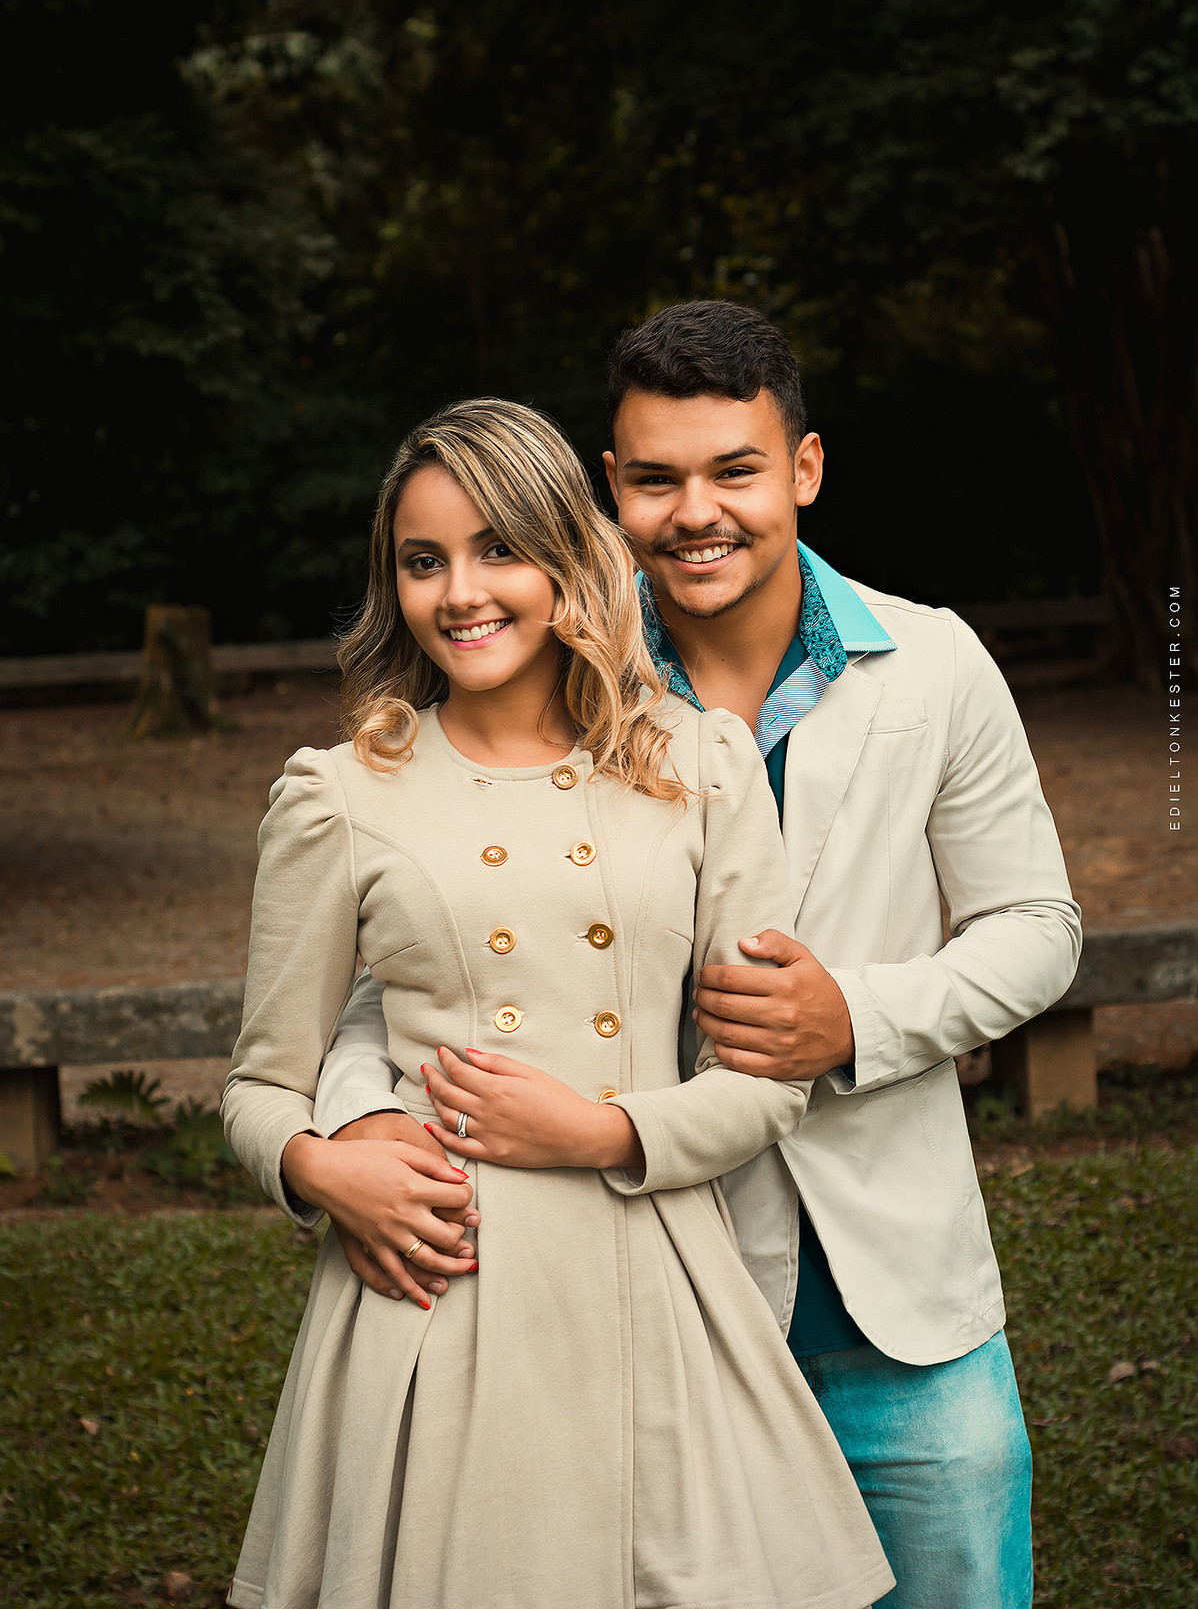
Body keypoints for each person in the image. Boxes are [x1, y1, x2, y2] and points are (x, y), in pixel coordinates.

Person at [317, 304, 1083, 1609]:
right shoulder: (543, 683)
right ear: (608, 487)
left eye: (732, 469)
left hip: (901, 1300)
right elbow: (404, 977)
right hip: (637, 1282)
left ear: (803, 468)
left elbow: (1036, 931)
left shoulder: (933, 663)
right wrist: (339, 1142)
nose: (694, 512)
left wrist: (857, 1015)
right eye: (655, 478)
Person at [221, 397, 893, 1609]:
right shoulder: (340, 796)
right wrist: (322, 1170)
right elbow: (265, 1081)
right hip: (437, 1294)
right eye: (422, 561)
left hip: (654, 1281)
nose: (460, 591)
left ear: (567, 563)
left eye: (498, 549)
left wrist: (604, 1132)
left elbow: (765, 1082)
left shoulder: (700, 767)